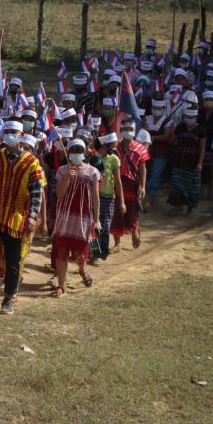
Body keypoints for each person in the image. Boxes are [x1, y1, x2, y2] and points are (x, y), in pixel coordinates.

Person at [0, 121, 44, 315]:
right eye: (6, 132)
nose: (10, 135)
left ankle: (9, 297)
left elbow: (36, 192)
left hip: (16, 216)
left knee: (13, 260)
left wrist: (33, 216)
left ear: (21, 135)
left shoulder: (32, 162)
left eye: (13, 132)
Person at [51, 139, 102, 297]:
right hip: (64, 218)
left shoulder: (92, 172)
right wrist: (67, 178)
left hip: (83, 219)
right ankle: (62, 285)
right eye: (73, 150)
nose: (76, 154)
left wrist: (97, 219)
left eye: (79, 150)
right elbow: (59, 195)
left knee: (80, 252)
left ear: (85, 152)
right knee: (61, 251)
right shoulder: (62, 171)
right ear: (68, 152)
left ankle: (82, 270)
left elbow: (95, 197)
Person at [110, 120, 148, 251]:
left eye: (130, 129)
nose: (128, 131)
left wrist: (143, 186)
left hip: (133, 184)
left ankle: (134, 231)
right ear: (121, 130)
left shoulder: (140, 148)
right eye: (125, 129)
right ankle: (117, 243)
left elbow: (142, 168)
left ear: (135, 130)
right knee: (116, 213)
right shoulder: (115, 148)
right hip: (117, 183)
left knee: (133, 210)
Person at [168, 108, 207, 214]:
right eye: (187, 117)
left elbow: (202, 148)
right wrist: (171, 129)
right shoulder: (180, 127)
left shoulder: (201, 130)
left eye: (192, 117)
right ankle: (178, 206)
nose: (189, 119)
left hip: (193, 162)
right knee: (177, 184)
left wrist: (200, 163)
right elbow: (172, 141)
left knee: (192, 186)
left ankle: (190, 208)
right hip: (179, 160)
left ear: (196, 117)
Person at [94, 133, 124, 262]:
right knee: (93, 226)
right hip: (94, 197)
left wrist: (122, 201)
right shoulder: (93, 159)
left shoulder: (114, 159)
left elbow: (118, 181)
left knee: (105, 227)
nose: (112, 148)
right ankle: (93, 254)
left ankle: (101, 252)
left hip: (107, 198)